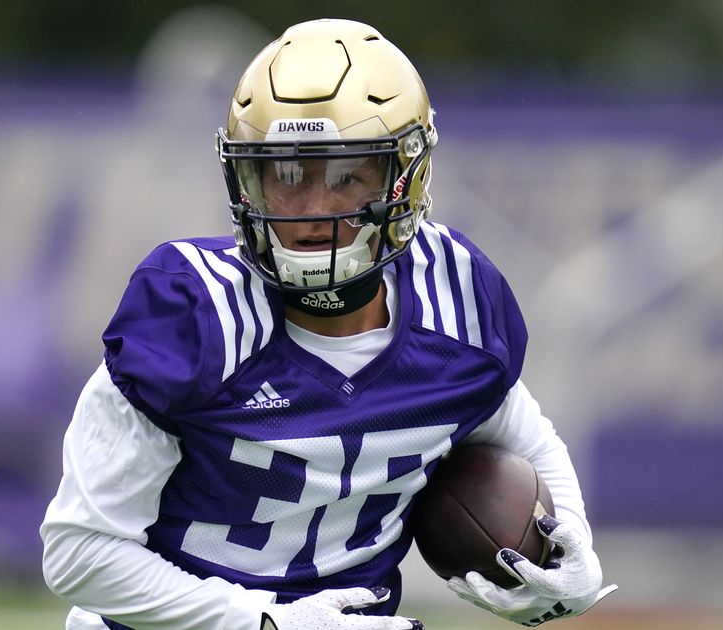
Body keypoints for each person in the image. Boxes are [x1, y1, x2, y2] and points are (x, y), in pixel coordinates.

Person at [41, 18, 615, 629]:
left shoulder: (457, 303)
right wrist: (263, 622)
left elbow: (522, 435)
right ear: (246, 181)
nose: (313, 211)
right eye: (286, 175)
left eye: (347, 177)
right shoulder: (195, 314)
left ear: (405, 175)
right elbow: (79, 553)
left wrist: (568, 542)